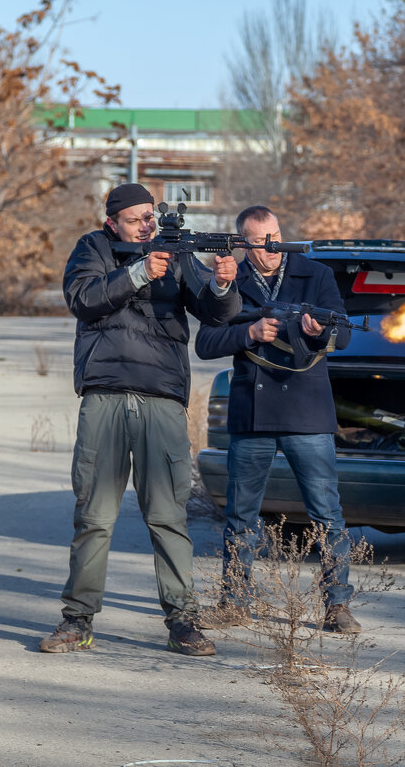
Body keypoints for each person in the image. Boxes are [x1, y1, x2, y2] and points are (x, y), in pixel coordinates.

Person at [39, 182, 241, 656]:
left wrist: (223, 282)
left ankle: (183, 622)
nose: (148, 225)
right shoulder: (93, 248)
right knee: (94, 516)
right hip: (105, 394)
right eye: (136, 219)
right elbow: (82, 299)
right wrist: (138, 273)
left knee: (169, 517)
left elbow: (215, 315)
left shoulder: (174, 251)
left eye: (151, 216)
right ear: (112, 222)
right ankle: (77, 620)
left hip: (162, 398)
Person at [194, 205, 361, 634]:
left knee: (327, 515)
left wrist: (314, 332)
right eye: (259, 242)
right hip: (252, 411)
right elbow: (207, 341)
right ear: (243, 243)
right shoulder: (231, 280)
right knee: (240, 515)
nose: (269, 249)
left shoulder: (316, 274)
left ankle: (337, 607)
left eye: (274, 238)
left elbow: (340, 333)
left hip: (306, 412)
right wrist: (247, 334)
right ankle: (234, 603)